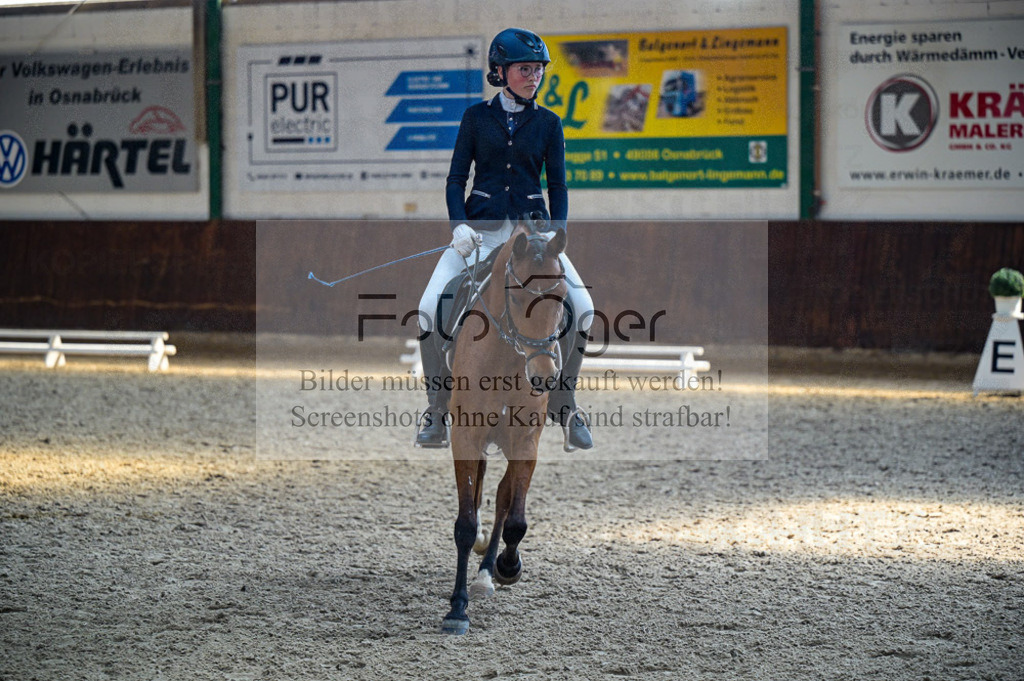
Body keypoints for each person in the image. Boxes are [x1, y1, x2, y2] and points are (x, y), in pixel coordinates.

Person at [415, 27, 594, 452]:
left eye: (538, 70)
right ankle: (438, 410)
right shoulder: (476, 118)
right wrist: (458, 225)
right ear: (501, 72)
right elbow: (456, 179)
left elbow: (559, 187)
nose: (534, 77)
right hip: (478, 233)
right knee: (427, 310)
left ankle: (566, 405)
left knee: (584, 309)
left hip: (535, 236)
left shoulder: (549, 123)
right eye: (525, 69)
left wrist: (556, 231)